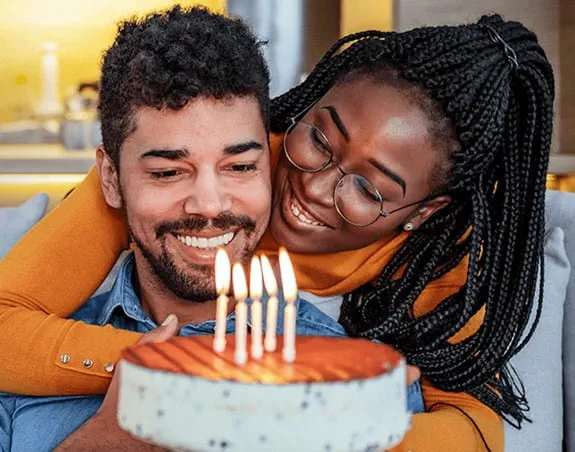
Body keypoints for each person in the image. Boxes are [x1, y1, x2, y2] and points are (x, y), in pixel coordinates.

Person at [0, 11, 554, 452]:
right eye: (319, 140)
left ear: (419, 214)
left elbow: (471, 431)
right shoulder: (221, 139)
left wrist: (321, 430)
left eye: (370, 189)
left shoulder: (433, 266)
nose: (314, 189)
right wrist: (170, 376)